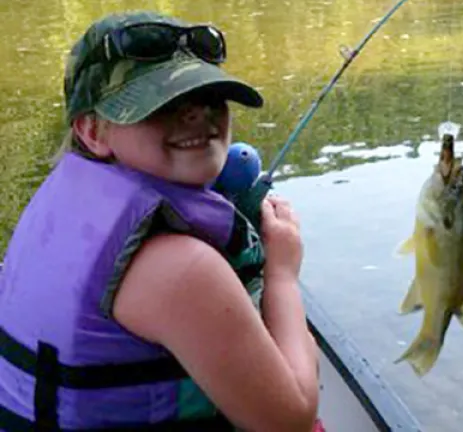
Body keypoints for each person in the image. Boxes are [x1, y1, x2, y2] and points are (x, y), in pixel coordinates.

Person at [0, 10, 320, 432]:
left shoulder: (62, 196)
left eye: (210, 97)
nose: (197, 115)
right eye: (163, 103)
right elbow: (290, 419)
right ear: (92, 130)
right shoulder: (182, 268)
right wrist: (281, 275)